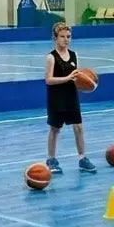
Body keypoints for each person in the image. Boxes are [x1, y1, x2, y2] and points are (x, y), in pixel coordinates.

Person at [44, 22, 96, 174]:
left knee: (78, 127)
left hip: (71, 96)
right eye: (62, 37)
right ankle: (51, 159)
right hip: (56, 98)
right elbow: (48, 80)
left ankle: (82, 158)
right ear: (55, 38)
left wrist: (84, 83)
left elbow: (77, 77)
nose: (66, 39)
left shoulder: (74, 55)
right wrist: (67, 78)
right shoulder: (51, 57)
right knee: (55, 129)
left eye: (68, 36)